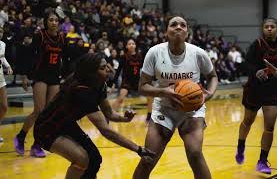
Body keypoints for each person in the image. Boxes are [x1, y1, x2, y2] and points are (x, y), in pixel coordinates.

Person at [33, 53, 155, 178]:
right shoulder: (82, 92)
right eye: (102, 68)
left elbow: (109, 113)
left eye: (106, 66)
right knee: (82, 159)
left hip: (66, 125)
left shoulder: (99, 84)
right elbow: (106, 131)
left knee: (95, 160)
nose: (108, 69)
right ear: (91, 73)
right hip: (46, 129)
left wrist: (125, 118)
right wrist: (138, 149)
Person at [133, 16, 218, 179]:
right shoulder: (154, 53)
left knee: (195, 154)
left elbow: (213, 76)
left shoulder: (198, 53)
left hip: (191, 111)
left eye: (183, 25)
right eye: (173, 24)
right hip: (164, 108)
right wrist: (164, 91)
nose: (178, 27)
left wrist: (210, 93)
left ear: (187, 32)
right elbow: (142, 86)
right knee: (147, 158)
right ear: (166, 31)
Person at [235, 17, 277, 174]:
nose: (269, 28)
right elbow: (245, 64)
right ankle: (241, 145)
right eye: (266, 26)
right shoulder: (257, 44)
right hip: (255, 89)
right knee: (248, 121)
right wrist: (255, 71)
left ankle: (262, 161)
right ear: (263, 29)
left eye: (272, 26)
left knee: (269, 127)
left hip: (272, 90)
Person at [14, 10, 66, 157]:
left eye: (56, 20)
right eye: (51, 20)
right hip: (41, 76)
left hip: (55, 78)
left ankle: (37, 145)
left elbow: (66, 58)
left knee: (48, 114)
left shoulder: (62, 38)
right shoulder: (40, 36)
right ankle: (21, 136)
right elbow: (28, 54)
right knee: (39, 111)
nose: (54, 22)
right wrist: (24, 75)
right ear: (45, 22)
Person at [112, 39, 143, 111]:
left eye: (133, 43)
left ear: (135, 45)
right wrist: (113, 83)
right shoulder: (124, 57)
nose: (131, 45)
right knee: (121, 98)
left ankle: (150, 114)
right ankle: (110, 114)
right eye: (129, 44)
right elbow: (118, 71)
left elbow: (144, 69)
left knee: (150, 95)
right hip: (127, 81)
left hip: (137, 81)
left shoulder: (140, 56)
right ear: (126, 46)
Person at [0, 26, 13, 142]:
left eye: (1, 32)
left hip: (0, 78)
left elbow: (2, 58)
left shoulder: (3, 44)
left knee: (4, 107)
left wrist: (8, 66)